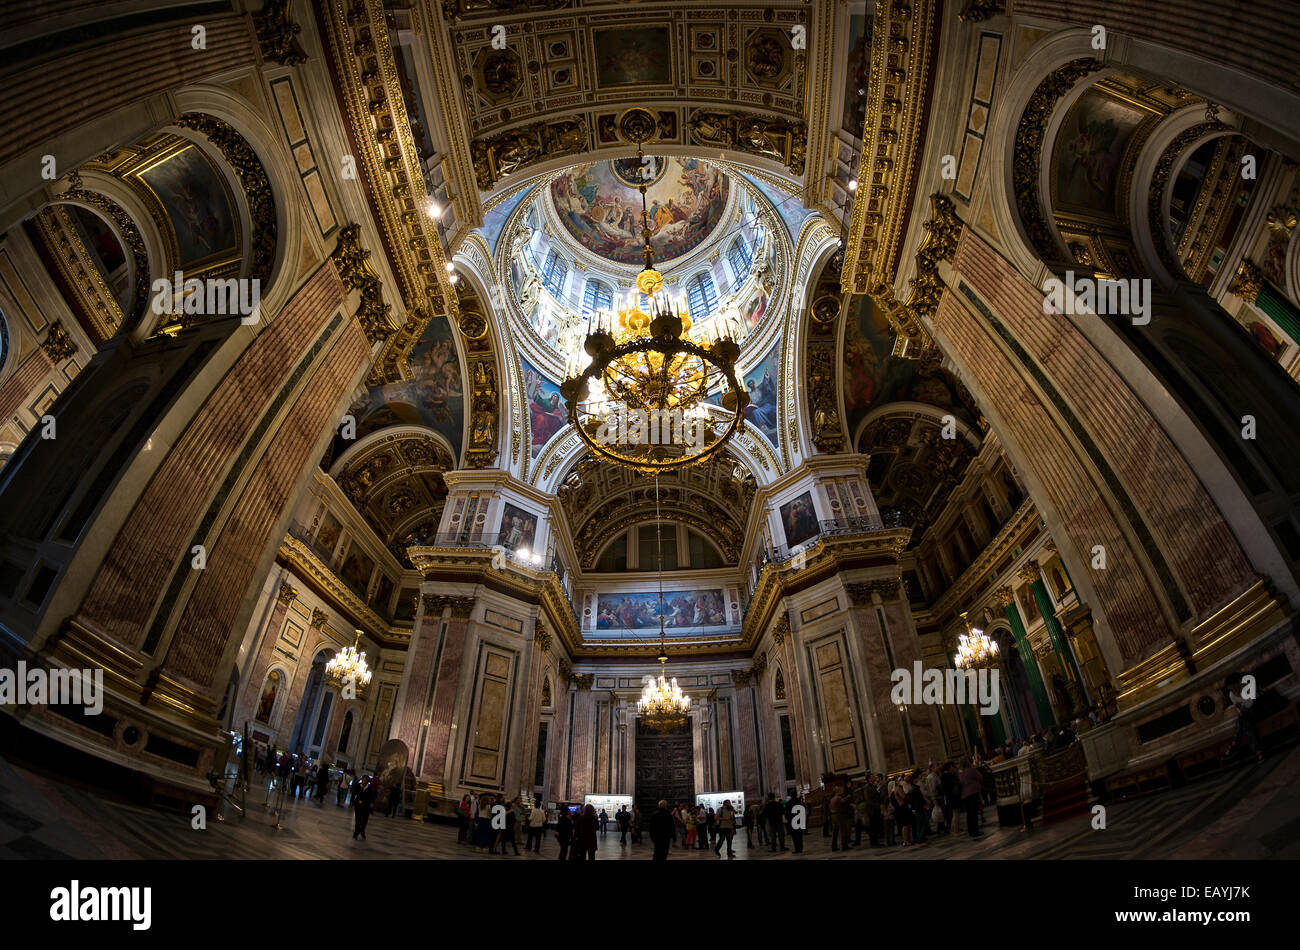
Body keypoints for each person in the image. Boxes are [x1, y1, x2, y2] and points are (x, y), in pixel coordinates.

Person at [958, 757, 983, 838]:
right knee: (974, 813)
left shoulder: (960, 773)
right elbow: (980, 777)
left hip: (965, 795)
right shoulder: (971, 770)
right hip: (973, 793)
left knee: (969, 814)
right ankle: (975, 831)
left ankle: (970, 831)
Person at [351, 774, 376, 840]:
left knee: (364, 821)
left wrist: (371, 804)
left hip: (366, 807)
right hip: (358, 807)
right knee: (358, 820)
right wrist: (355, 801)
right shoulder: (359, 786)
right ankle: (356, 833)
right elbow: (354, 793)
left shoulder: (370, 789)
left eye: (364, 780)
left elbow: (372, 798)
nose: (362, 780)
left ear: (367, 781)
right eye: (362, 779)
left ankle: (362, 831)